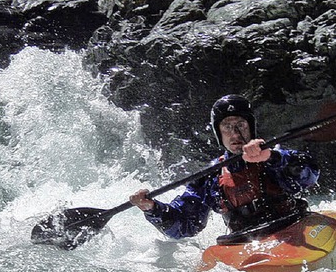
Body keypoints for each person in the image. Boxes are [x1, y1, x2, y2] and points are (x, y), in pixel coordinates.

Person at [129, 94, 320, 242]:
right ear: (219, 134)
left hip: (292, 226)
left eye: (241, 125)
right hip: (247, 242)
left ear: (251, 127)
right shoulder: (211, 177)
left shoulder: (273, 156)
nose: (235, 133)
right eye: (227, 127)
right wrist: (153, 209)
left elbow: (310, 173)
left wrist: (271, 157)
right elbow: (185, 226)